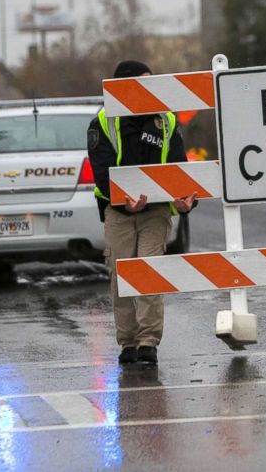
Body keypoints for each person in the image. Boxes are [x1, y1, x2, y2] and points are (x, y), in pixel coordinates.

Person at [88, 60, 197, 366]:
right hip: (118, 211)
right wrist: (123, 201)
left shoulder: (166, 120)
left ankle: (148, 342)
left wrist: (184, 203)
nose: (151, 88)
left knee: (148, 272)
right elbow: (102, 173)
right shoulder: (102, 122)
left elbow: (179, 169)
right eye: (144, 82)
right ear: (125, 87)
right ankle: (129, 342)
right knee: (121, 275)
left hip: (156, 212)